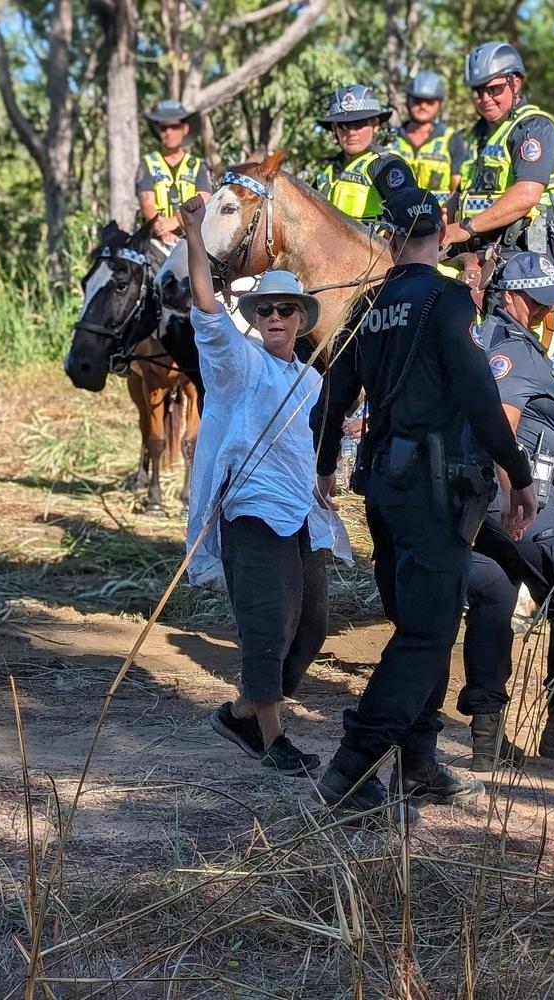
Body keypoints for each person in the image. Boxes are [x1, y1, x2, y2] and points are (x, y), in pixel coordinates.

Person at [310, 186, 537, 812]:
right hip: (436, 493)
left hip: (382, 489)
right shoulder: (448, 300)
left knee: (417, 623)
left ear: (388, 235)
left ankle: (420, 764)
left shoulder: (369, 304)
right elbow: (478, 395)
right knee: (426, 637)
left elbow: (332, 395)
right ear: (441, 228)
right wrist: (520, 475)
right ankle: (351, 771)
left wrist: (325, 465)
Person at [180, 194, 349, 777]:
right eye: (265, 310)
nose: (275, 318)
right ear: (253, 318)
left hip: (300, 511)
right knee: (269, 619)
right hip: (249, 508)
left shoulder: (307, 378)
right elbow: (206, 306)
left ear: (302, 317)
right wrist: (196, 241)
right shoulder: (236, 363)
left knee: (312, 626)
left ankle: (242, 711)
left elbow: (315, 442)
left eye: (285, 309)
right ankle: (272, 737)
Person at [458, 251, 554, 770]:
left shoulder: (498, 341)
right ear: (509, 295)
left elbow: (529, 422)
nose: (546, 312)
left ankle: (485, 737)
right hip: (527, 503)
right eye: (538, 301)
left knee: (496, 599)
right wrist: (518, 494)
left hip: (496, 502)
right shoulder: (513, 351)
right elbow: (499, 421)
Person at [443, 42, 554, 266]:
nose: (485, 98)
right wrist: (433, 221)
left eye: (494, 89)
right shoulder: (478, 134)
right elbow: (463, 193)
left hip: (527, 246)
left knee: (501, 299)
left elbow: (526, 195)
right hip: (480, 242)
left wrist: (465, 228)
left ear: (516, 84)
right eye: (478, 91)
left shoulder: (534, 128)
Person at [314, 85, 417, 222]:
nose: (351, 132)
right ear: (334, 128)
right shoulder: (327, 171)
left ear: (375, 125)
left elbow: (412, 215)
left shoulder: (386, 165)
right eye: (343, 125)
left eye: (359, 123)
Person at [136, 100, 212, 245]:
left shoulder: (198, 166)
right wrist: (163, 230)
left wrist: (176, 220)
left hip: (193, 238)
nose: (169, 132)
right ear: (158, 131)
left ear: (184, 128)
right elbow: (147, 204)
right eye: (164, 128)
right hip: (156, 239)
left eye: (174, 126)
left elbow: (204, 201)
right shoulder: (147, 164)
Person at [387, 71, 465, 207]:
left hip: (438, 220)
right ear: (408, 101)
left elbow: (457, 189)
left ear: (439, 104)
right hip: (395, 220)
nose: (423, 106)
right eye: (417, 100)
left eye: (429, 101)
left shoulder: (451, 138)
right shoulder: (390, 138)